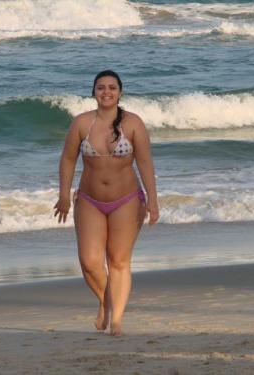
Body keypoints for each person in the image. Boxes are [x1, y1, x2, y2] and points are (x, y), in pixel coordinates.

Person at [54, 70, 159, 336]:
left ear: (120, 92)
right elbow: (67, 160)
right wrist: (64, 195)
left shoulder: (133, 123)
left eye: (112, 87)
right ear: (93, 92)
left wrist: (153, 200)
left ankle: (117, 321)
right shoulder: (81, 123)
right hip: (89, 200)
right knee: (89, 262)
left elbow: (145, 162)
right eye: (100, 87)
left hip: (127, 200)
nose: (106, 92)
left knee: (118, 260)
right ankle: (106, 301)